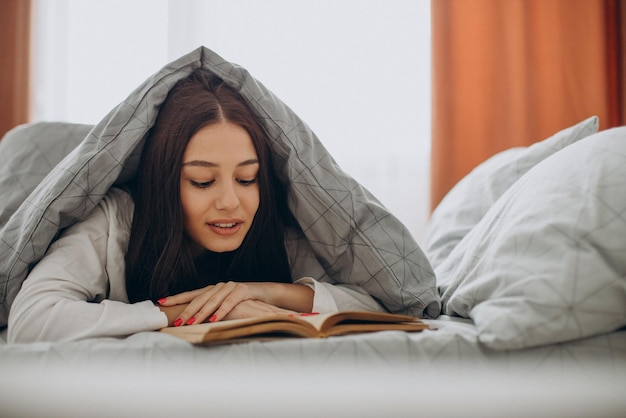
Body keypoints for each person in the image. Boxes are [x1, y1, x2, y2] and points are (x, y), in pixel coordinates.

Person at [7, 69, 384, 343]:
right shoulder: (113, 220)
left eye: (246, 178)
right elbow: (31, 318)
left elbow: (381, 302)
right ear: (164, 181)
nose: (230, 202)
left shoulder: (275, 224)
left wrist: (266, 293)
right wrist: (196, 312)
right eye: (202, 182)